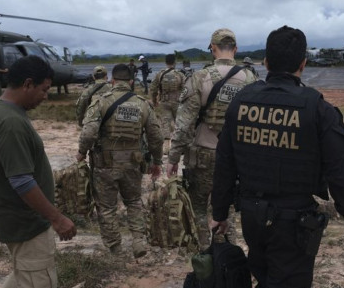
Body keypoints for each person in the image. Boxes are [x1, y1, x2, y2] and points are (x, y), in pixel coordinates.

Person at [211, 25, 344, 288]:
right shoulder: (317, 108)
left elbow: (224, 162)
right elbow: (342, 175)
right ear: (303, 63)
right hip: (293, 220)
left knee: (267, 279)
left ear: (265, 62)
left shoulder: (243, 101)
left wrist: (219, 212)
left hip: (251, 214)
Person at [0, 55, 77, 288]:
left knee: (28, 268)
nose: (46, 97)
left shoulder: (2, 110)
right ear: (27, 84)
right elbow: (21, 182)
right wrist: (57, 218)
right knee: (39, 280)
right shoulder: (9, 123)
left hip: (17, 215)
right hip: (25, 217)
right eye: (45, 90)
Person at [165, 28, 258, 244]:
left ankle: (206, 256)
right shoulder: (250, 79)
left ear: (212, 49)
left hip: (204, 155)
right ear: (235, 49)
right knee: (227, 210)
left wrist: (173, 158)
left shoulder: (199, 78)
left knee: (198, 207)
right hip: (237, 157)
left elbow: (184, 124)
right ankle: (229, 256)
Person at [77, 63, 164, 258]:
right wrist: (157, 161)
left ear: (112, 81)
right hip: (133, 163)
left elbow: (89, 132)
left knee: (107, 207)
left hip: (105, 164)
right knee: (133, 201)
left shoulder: (101, 102)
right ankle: (139, 241)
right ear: (132, 81)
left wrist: (81, 152)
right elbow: (156, 137)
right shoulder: (143, 104)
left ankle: (115, 249)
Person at [150, 54, 186, 138]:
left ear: (165, 62)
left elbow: (153, 89)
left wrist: (154, 101)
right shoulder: (180, 74)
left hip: (164, 102)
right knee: (179, 123)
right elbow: (186, 89)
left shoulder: (160, 74)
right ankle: (178, 141)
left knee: (165, 123)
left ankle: (166, 144)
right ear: (175, 62)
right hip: (177, 102)